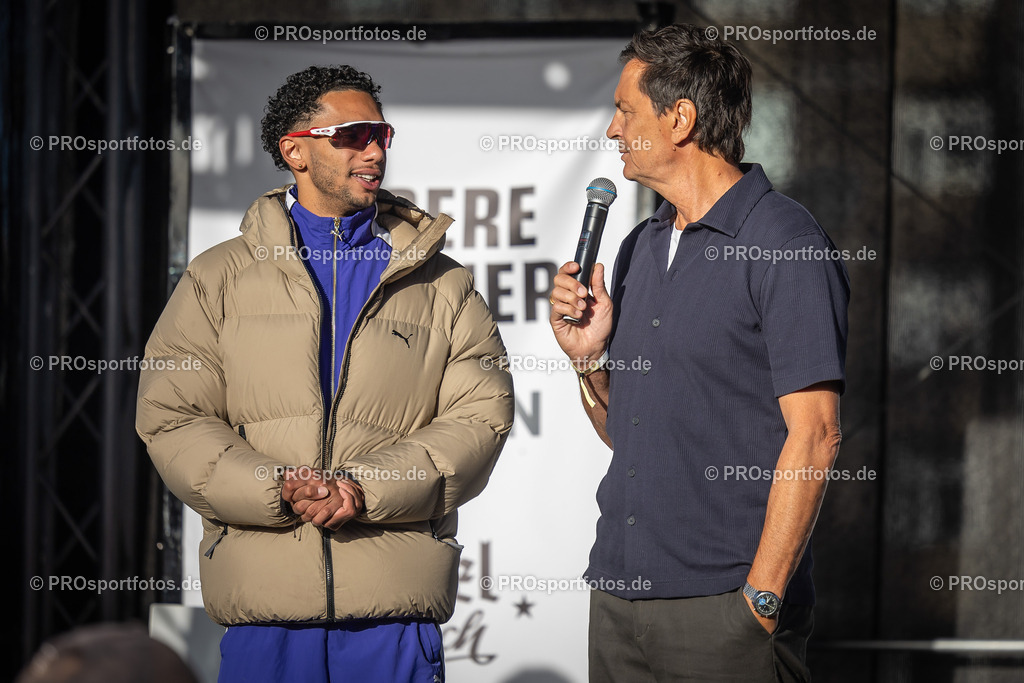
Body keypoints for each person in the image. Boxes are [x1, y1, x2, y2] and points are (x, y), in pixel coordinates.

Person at [137, 65, 514, 683]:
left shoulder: (443, 282)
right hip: (265, 619)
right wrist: (274, 485)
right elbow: (171, 415)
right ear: (295, 150)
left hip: (393, 618)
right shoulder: (217, 277)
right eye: (353, 134)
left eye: (382, 135)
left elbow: (482, 416)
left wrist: (364, 490)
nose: (374, 151)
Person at [549, 25, 849, 682]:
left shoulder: (784, 240)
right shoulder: (640, 245)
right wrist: (587, 359)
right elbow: (622, 431)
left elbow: (817, 435)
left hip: (726, 610)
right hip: (620, 601)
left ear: (679, 118)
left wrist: (760, 602)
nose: (612, 130)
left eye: (626, 111)